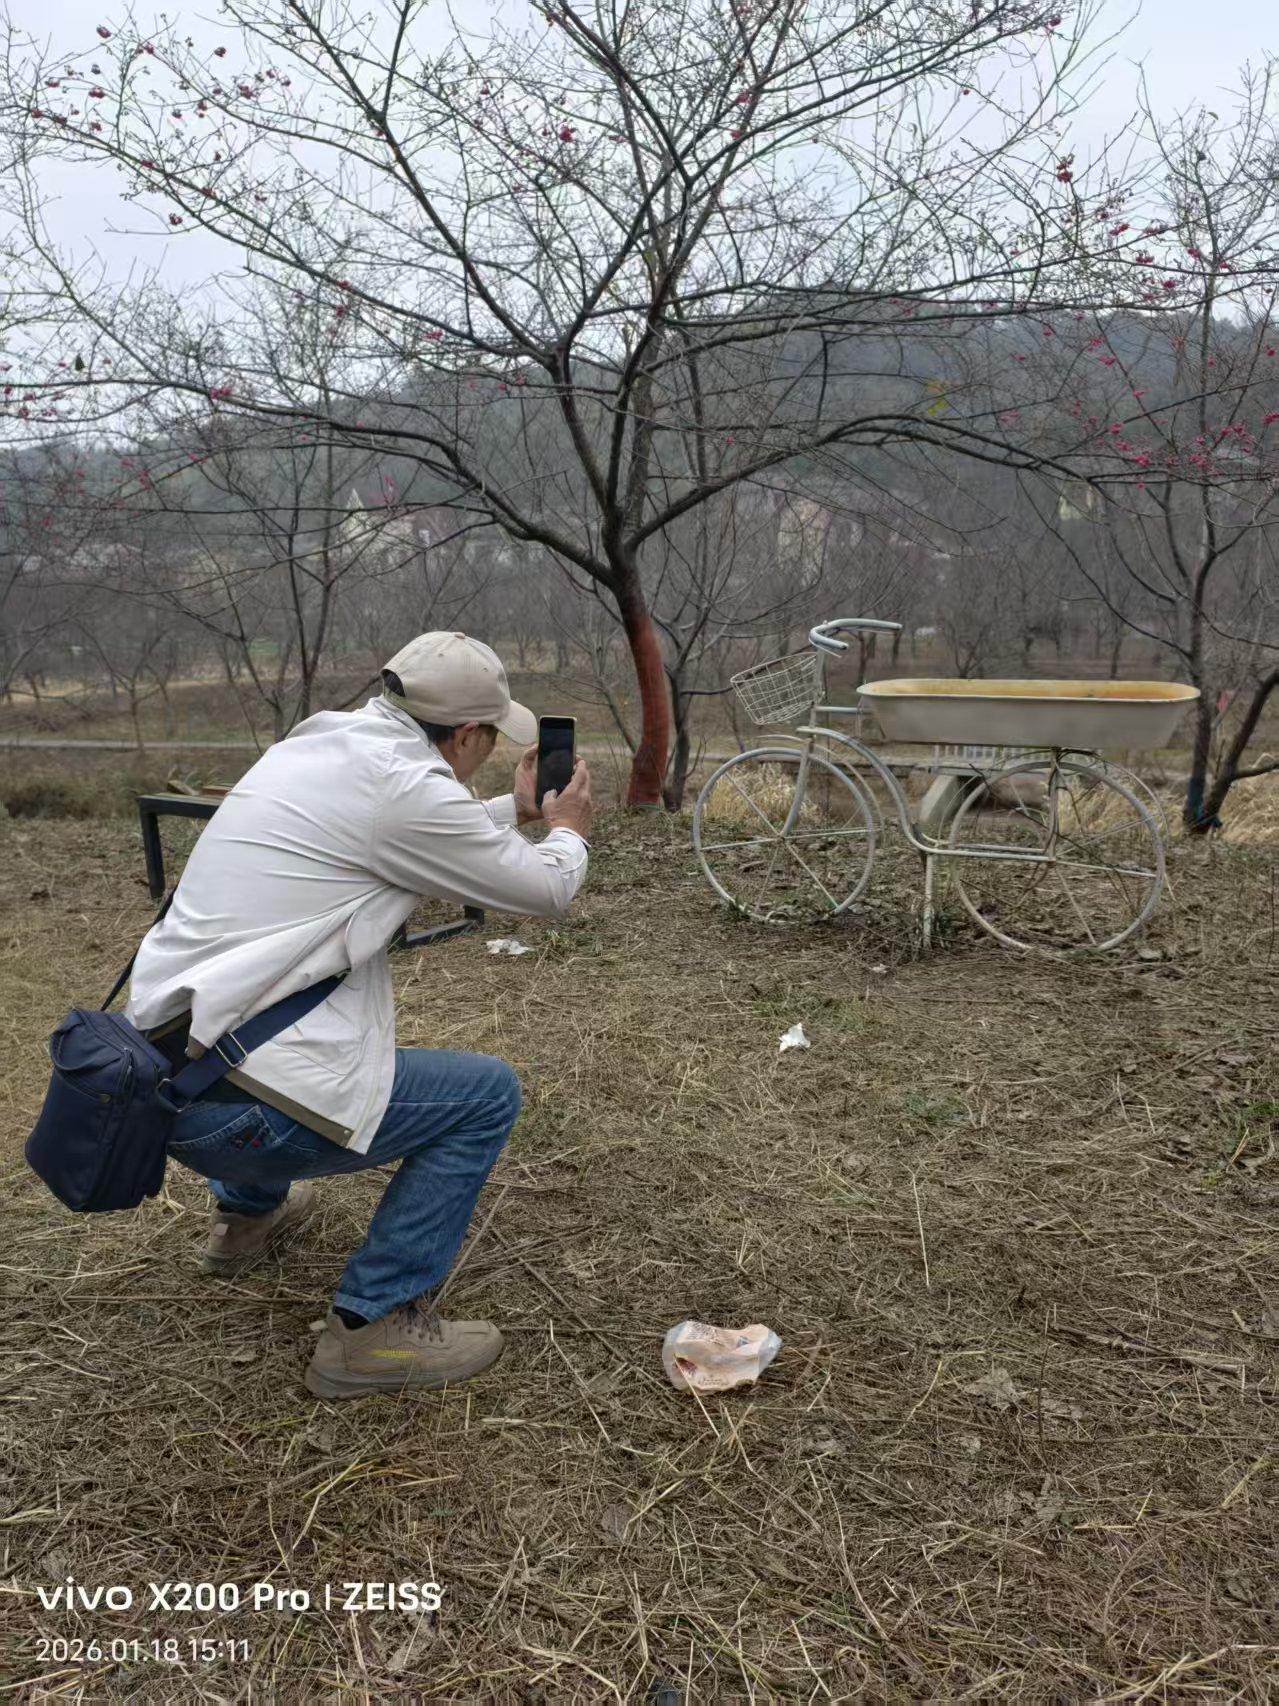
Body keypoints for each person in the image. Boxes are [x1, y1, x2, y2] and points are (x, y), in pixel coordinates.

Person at [125, 632, 592, 1399]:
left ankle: (245, 1220)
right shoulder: (407, 788)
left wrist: (509, 805)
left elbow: (405, 828)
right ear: (469, 734)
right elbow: (543, 892)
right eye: (487, 741)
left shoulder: (320, 741)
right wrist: (567, 829)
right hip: (234, 1120)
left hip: (161, 1082)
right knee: (483, 1096)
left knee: (274, 1035)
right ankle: (370, 1332)